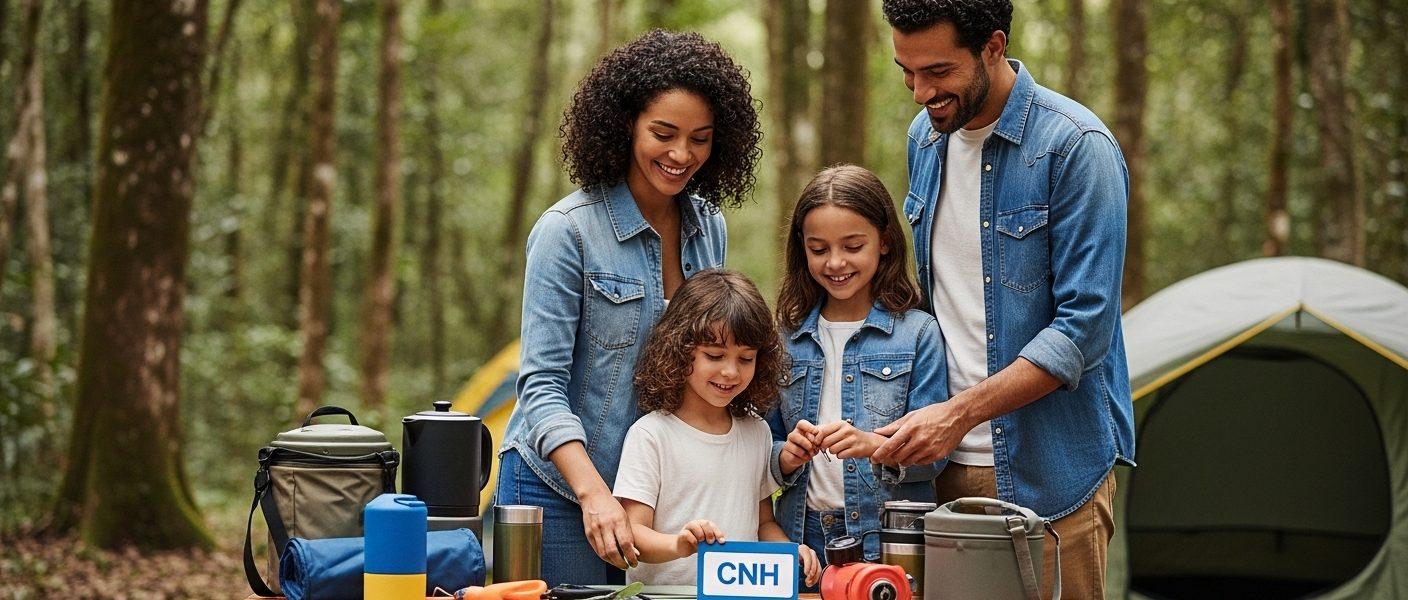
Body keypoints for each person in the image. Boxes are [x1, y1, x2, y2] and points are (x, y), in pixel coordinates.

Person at [872, 2, 1136, 598]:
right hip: (940, 473)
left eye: (938, 72)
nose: (919, 92)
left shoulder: (1075, 148)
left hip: (1053, 475)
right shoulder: (926, 140)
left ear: (993, 45)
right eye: (906, 73)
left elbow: (1083, 330)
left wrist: (959, 413)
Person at [496, 30, 762, 586]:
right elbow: (540, 384)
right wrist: (595, 494)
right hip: (561, 491)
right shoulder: (566, 232)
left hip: (647, 495)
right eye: (663, 134)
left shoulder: (708, 226)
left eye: (701, 139)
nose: (681, 155)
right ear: (624, 125)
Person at [767, 165, 948, 582]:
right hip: (804, 538)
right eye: (818, 249)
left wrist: (873, 446)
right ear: (802, 248)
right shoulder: (784, 337)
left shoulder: (918, 333)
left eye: (852, 246)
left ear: (884, 242)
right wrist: (785, 455)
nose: (835, 262)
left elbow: (937, 453)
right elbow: (759, 442)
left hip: (891, 539)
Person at [613, 269, 822, 587]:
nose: (730, 372)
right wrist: (678, 545)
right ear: (680, 350)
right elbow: (634, 535)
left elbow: (762, 522)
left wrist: (790, 551)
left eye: (746, 358)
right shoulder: (650, 435)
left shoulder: (757, 432)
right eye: (714, 355)